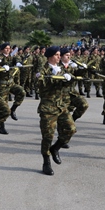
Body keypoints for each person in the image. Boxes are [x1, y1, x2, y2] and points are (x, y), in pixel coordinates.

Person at [36, 46, 77, 176]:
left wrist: (69, 78)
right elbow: (39, 83)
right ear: (50, 56)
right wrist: (53, 76)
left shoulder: (61, 69)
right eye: (57, 55)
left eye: (60, 55)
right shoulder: (42, 69)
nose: (59, 57)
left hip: (61, 106)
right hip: (48, 107)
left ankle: (56, 148)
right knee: (47, 136)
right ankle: (46, 162)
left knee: (71, 129)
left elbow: (68, 85)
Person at [0, 42, 25, 135]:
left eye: (9, 48)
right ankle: (1, 126)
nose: (8, 50)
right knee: (4, 106)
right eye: (6, 48)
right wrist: (1, 67)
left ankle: (13, 109)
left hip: (11, 83)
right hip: (2, 85)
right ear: (2, 49)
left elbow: (17, 58)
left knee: (21, 92)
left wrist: (19, 62)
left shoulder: (12, 56)